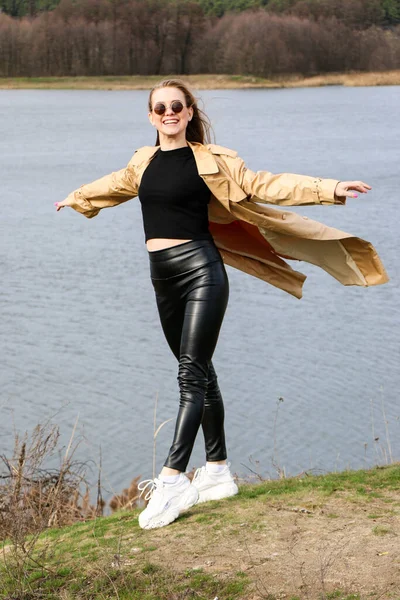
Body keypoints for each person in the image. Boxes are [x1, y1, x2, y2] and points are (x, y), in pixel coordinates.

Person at [55, 78, 388, 530]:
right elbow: (112, 186)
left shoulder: (214, 161)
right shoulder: (143, 162)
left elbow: (267, 184)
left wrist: (328, 187)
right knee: (201, 369)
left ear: (190, 112)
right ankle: (218, 472)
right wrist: (75, 198)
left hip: (201, 271)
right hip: (162, 276)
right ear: (151, 116)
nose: (169, 113)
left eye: (177, 105)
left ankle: (173, 479)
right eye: (160, 108)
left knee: (189, 374)